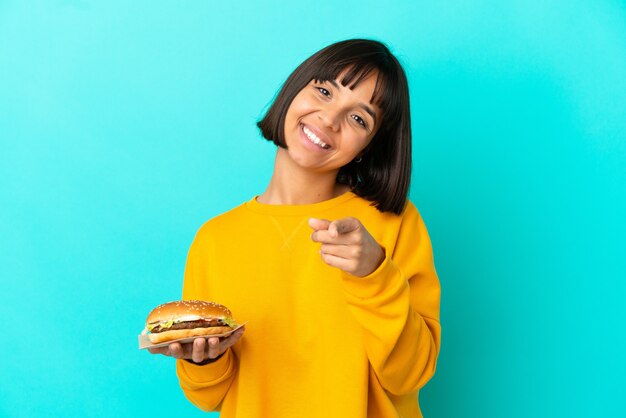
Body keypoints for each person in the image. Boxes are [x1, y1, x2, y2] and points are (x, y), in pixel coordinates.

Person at [149, 38, 441, 417]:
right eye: (323, 91)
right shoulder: (216, 239)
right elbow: (208, 397)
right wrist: (203, 360)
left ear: (369, 146)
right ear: (294, 90)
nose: (329, 119)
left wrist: (375, 275)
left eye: (358, 118)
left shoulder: (391, 223)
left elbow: (411, 374)